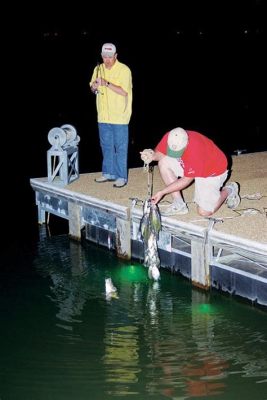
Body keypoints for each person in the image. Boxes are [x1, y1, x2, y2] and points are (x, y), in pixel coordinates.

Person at [140, 127, 241, 216]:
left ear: (187, 143)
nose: (174, 154)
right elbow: (161, 154)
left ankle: (229, 189)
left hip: (212, 170)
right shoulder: (172, 137)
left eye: (178, 152)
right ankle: (178, 203)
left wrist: (162, 192)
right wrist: (152, 155)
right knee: (164, 162)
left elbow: (186, 180)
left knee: (204, 212)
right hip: (192, 163)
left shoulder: (196, 150)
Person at [90, 43, 133, 188]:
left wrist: (106, 83)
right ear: (101, 56)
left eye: (110, 56)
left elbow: (124, 92)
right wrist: (94, 87)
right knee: (106, 146)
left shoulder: (124, 70)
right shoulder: (98, 69)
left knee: (120, 147)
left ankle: (121, 177)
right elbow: (92, 87)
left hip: (119, 117)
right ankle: (108, 173)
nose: (107, 59)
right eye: (105, 56)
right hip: (103, 116)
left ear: (116, 56)